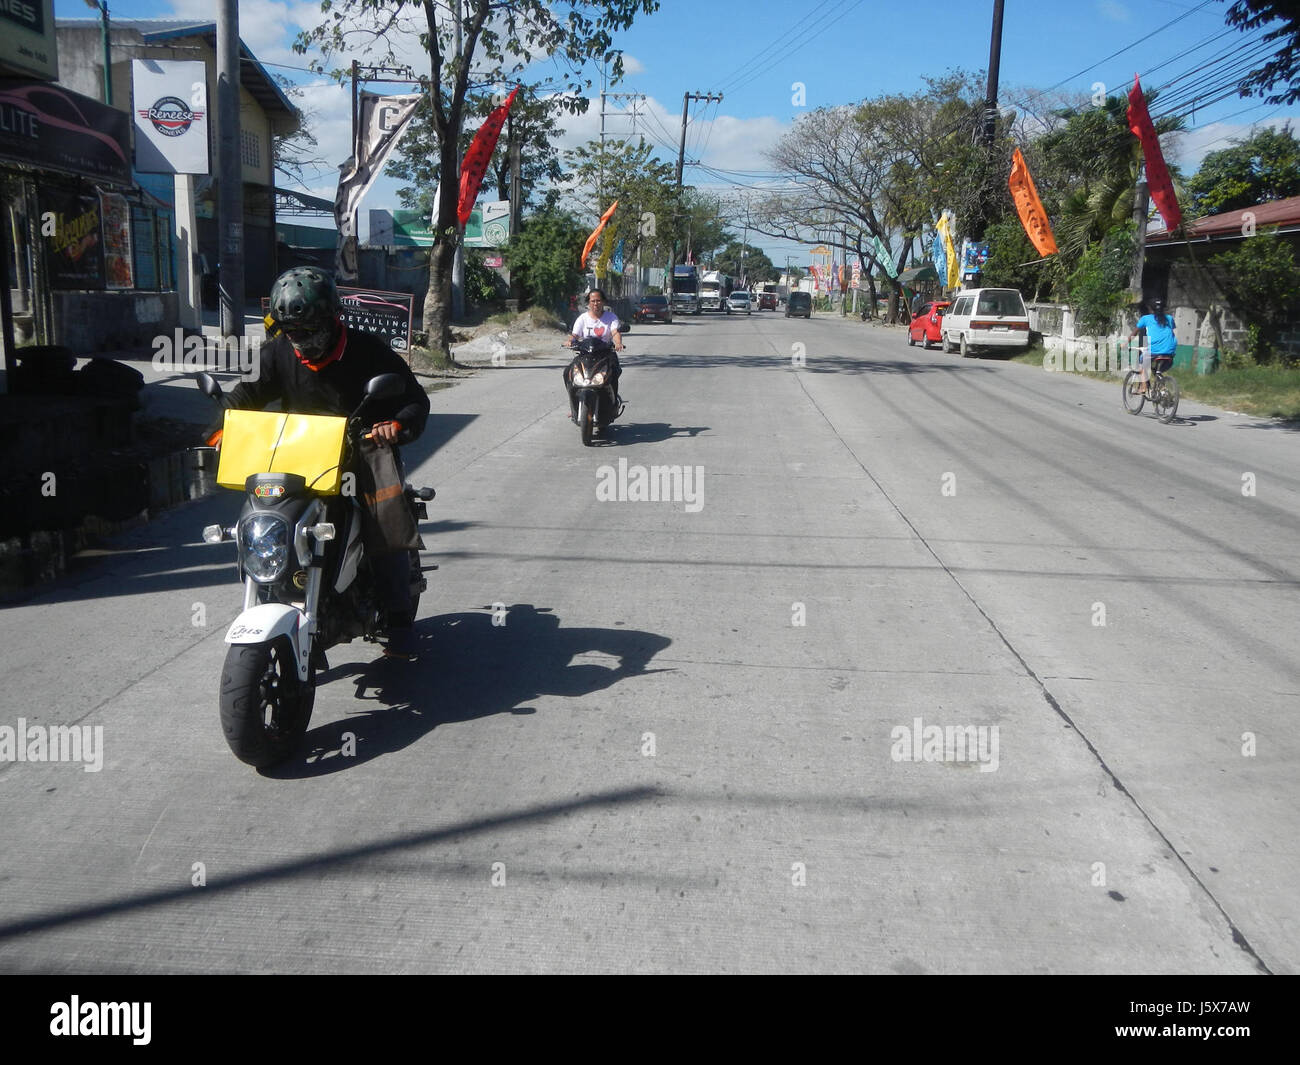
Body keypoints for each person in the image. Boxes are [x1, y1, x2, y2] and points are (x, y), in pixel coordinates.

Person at [206, 266, 430, 661]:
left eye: (307, 332)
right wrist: (219, 430)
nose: (299, 342)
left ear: (331, 319)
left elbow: (414, 399)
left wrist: (395, 425)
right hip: (301, 454)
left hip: (362, 450)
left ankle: (398, 620)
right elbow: (245, 394)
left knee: (386, 518)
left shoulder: (367, 351)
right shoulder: (278, 351)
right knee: (264, 512)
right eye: (291, 333)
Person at [564, 288, 624, 421]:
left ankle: (613, 404)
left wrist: (618, 343)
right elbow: (575, 335)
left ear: (603, 302)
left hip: (605, 355)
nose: (595, 304)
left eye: (598, 301)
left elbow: (615, 332)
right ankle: (574, 407)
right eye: (593, 301)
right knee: (568, 372)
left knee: (613, 373)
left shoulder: (610, 317)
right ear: (588, 303)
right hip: (585, 356)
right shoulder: (583, 318)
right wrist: (569, 341)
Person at [1128, 299, 1177, 394]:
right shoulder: (1169, 318)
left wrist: (1124, 344)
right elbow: (1170, 330)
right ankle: (1163, 390)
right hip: (1170, 352)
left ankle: (1143, 388)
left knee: (1142, 365)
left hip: (1154, 350)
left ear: (1150, 309)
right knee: (1157, 371)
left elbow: (1134, 333)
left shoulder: (1146, 319)